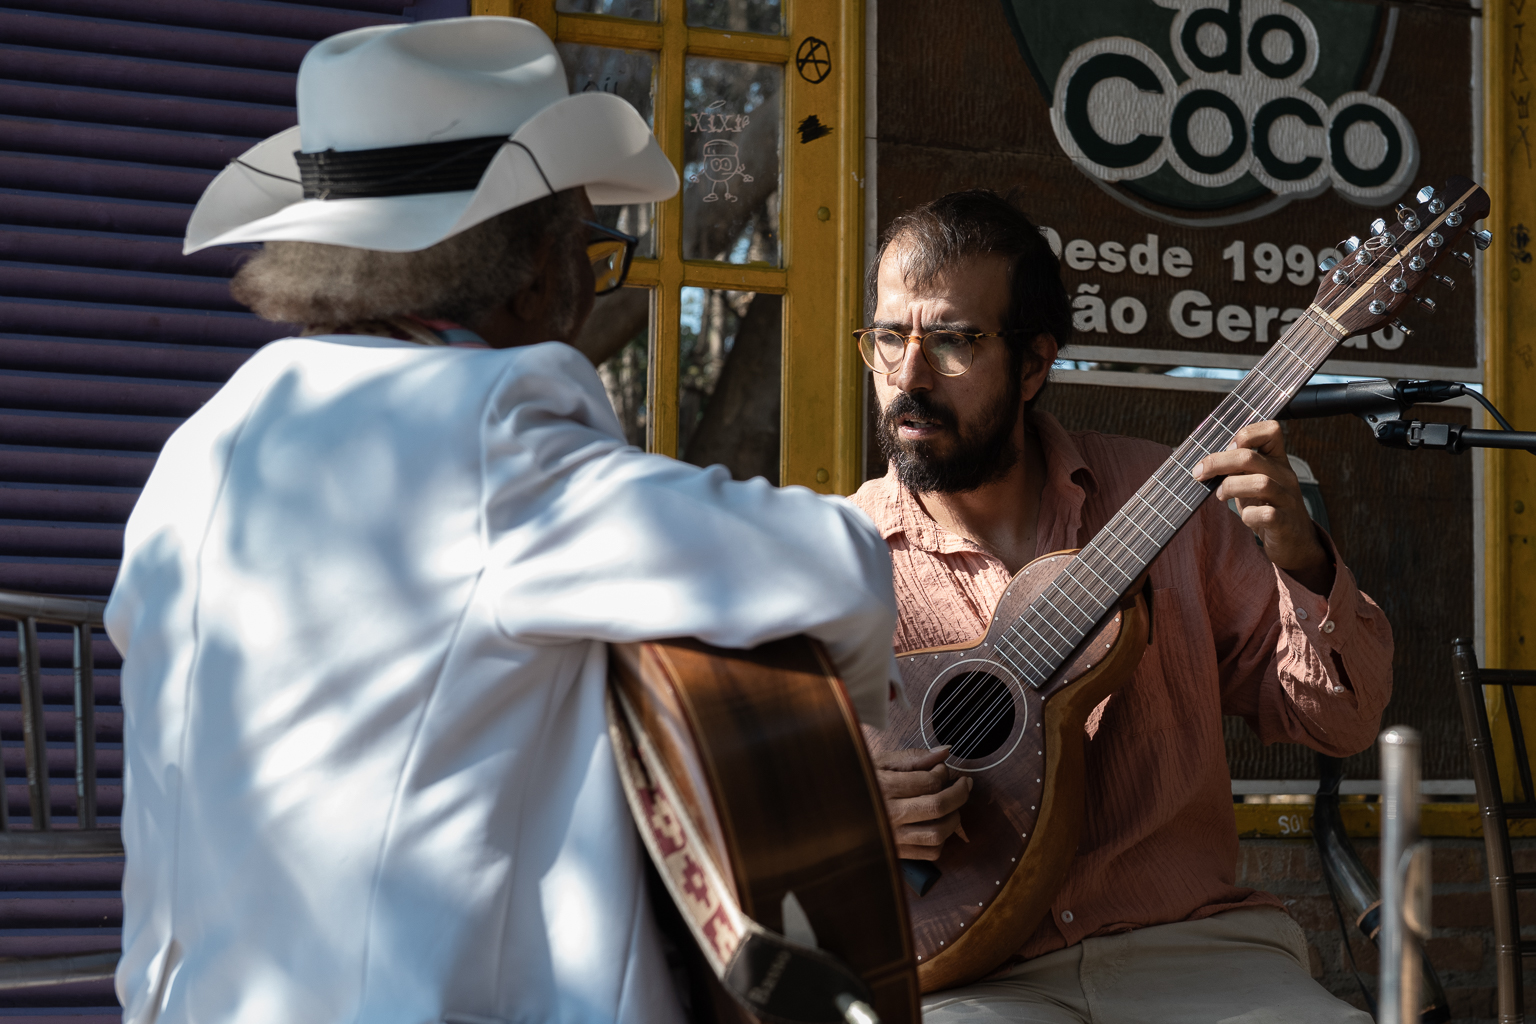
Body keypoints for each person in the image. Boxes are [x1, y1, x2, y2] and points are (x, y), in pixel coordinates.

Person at [103, 18, 900, 1024]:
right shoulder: (490, 426)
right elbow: (838, 567)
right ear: (529, 271)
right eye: (586, 246)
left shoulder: (203, 444)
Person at [851, 189, 1393, 1023]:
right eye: (890, 338)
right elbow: (734, 784)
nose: (910, 378)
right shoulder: (833, 551)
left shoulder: (1165, 500)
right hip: (975, 980)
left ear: (1034, 364)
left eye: (954, 341)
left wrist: (1304, 561)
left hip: (1197, 954)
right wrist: (846, 801)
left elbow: (1341, 724)